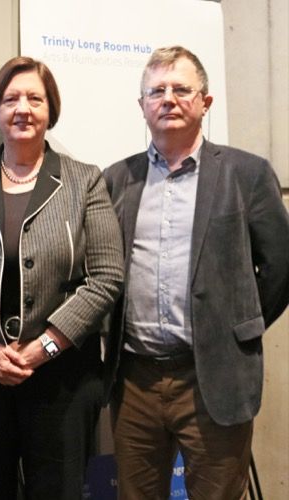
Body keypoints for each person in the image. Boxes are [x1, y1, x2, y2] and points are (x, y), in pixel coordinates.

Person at [0, 56, 124, 500]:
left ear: (51, 110)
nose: (23, 108)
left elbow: (107, 276)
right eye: (11, 98)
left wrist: (42, 349)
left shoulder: (84, 181)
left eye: (35, 98)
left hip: (63, 379)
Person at [102, 45, 289, 499]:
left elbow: (281, 267)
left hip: (214, 380)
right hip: (135, 381)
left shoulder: (247, 174)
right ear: (142, 105)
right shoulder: (115, 180)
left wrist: (237, 327)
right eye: (157, 90)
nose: (168, 98)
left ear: (205, 102)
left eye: (181, 89)